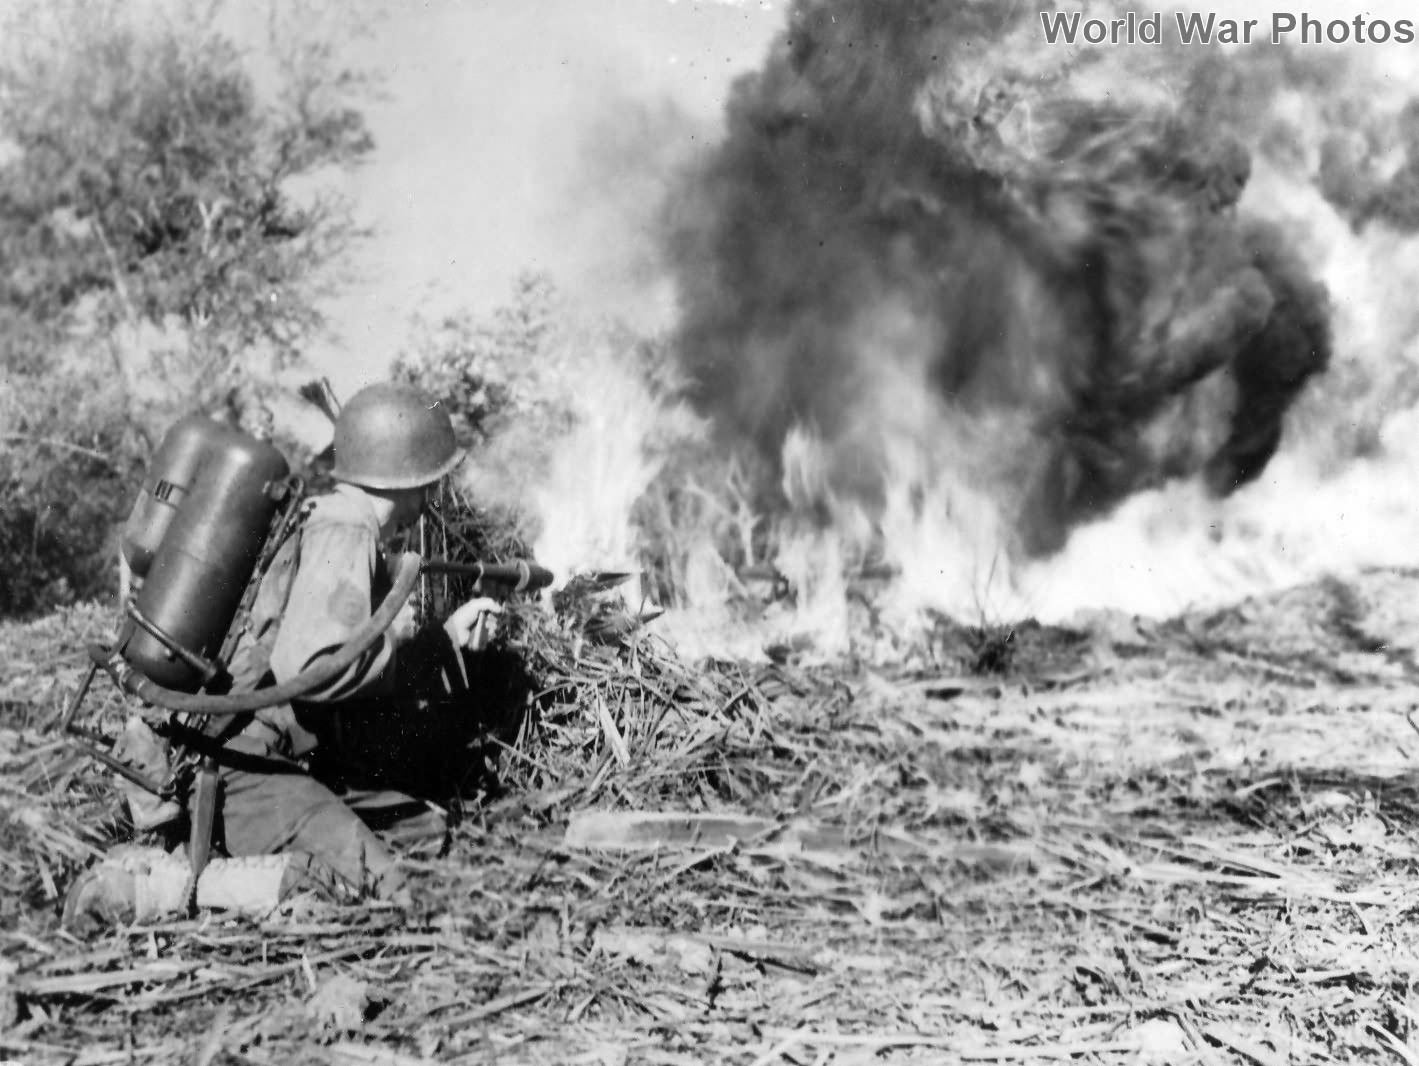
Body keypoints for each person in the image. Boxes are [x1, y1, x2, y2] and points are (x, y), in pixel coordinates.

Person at [64, 382, 503, 929]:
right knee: (378, 888)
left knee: (422, 831)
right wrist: (419, 642)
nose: (432, 493)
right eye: (431, 479)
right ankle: (157, 889)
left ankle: (225, 851)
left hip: (238, 748)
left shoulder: (324, 514)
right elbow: (310, 669)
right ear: (412, 479)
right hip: (240, 766)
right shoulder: (347, 531)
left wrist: (438, 642)